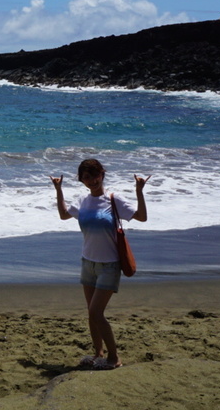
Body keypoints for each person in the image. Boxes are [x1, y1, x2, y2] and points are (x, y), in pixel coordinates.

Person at [51, 158, 149, 370]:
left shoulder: (113, 199)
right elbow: (63, 215)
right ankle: (98, 353)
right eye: (86, 177)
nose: (92, 180)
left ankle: (114, 358)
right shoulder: (83, 200)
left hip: (109, 265)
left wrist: (139, 190)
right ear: (82, 180)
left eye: (95, 175)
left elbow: (141, 217)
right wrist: (58, 189)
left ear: (102, 174)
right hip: (88, 262)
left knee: (97, 313)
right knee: (90, 313)